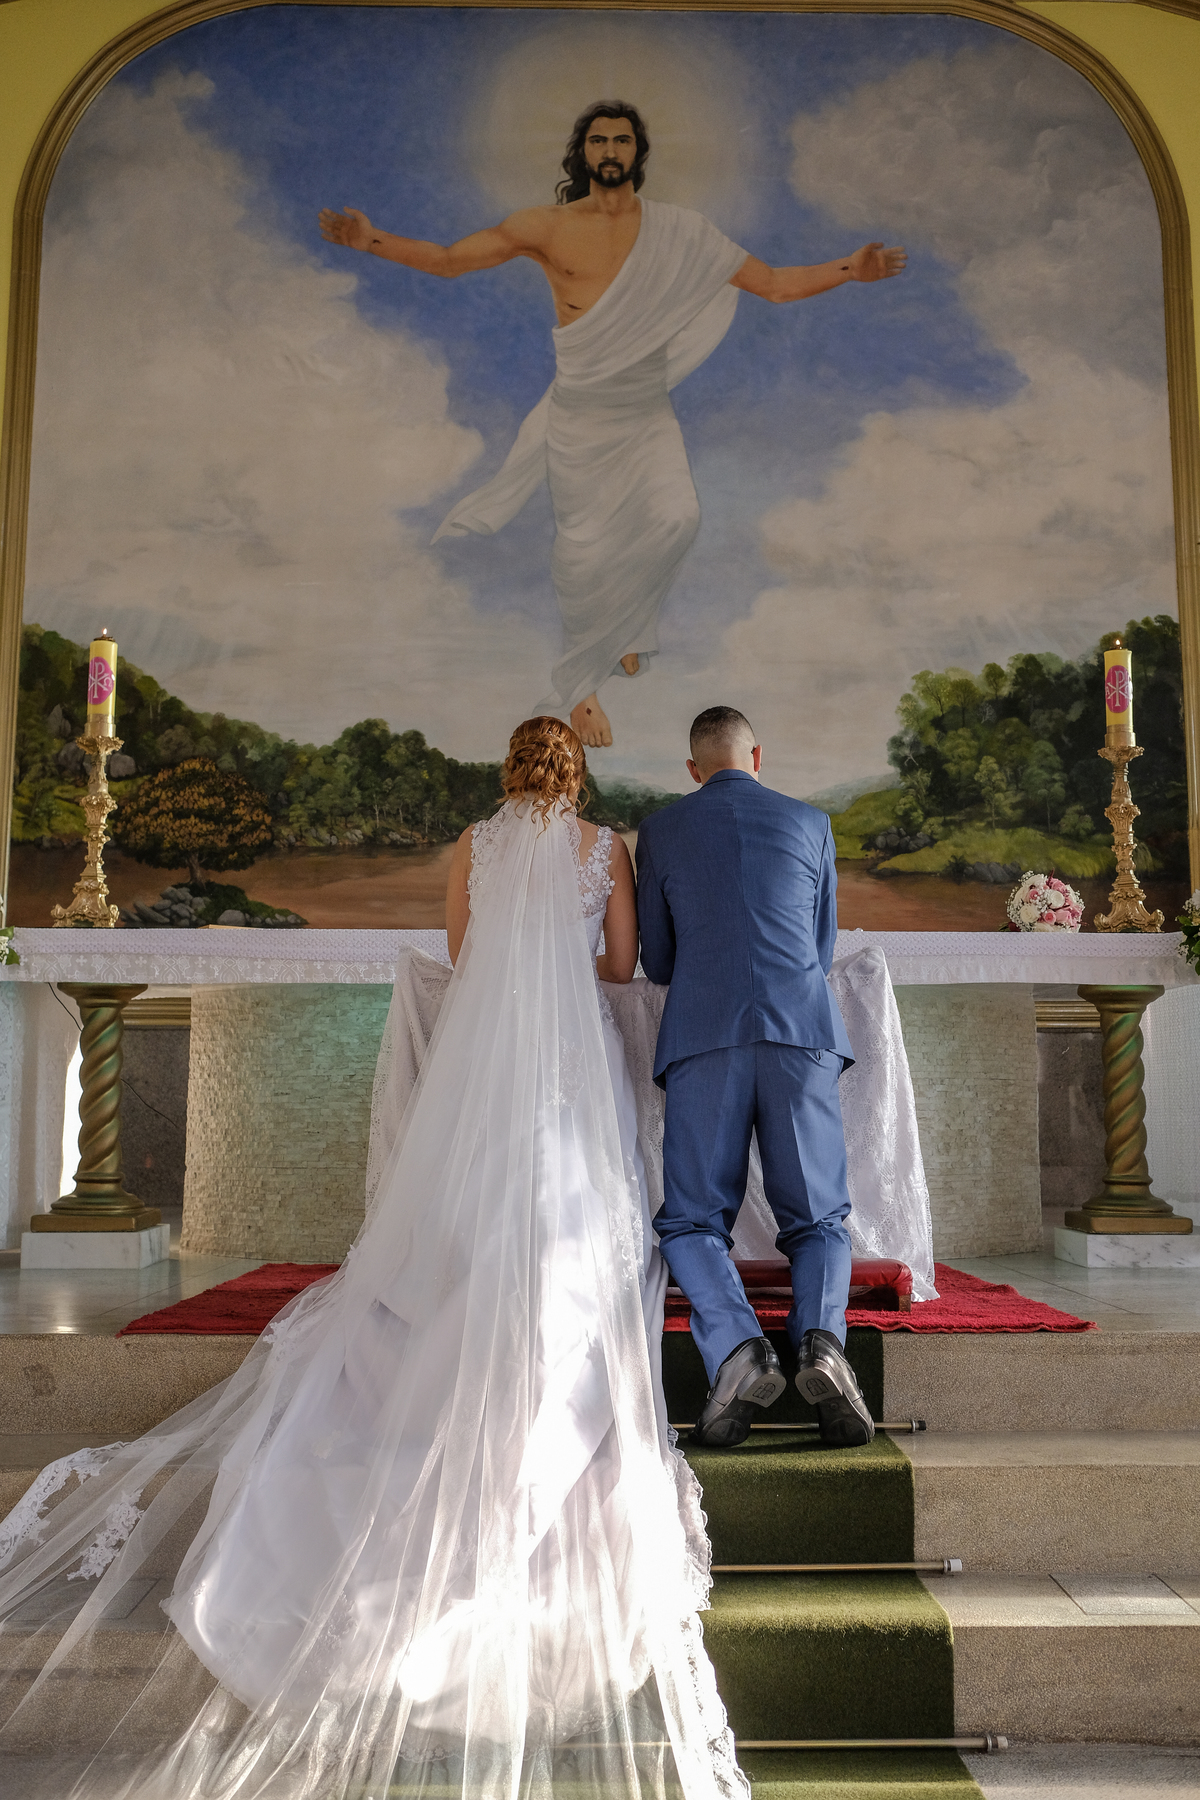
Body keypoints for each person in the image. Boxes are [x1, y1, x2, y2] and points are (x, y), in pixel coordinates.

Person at [0, 717, 746, 1800]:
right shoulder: (603, 849)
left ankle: (461, 1317)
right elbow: (622, 965)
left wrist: (518, 957)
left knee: (462, 1200)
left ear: (506, 774)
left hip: (483, 1060)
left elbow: (459, 957)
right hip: (570, 1052)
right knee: (573, 1208)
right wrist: (565, 951)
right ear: (576, 775)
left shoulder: (473, 847)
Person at [319, 103, 905, 749]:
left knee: (677, 518)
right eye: (598, 138)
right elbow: (452, 259)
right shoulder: (543, 226)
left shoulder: (681, 231)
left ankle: (622, 632)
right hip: (581, 414)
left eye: (621, 139)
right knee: (581, 552)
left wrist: (852, 271)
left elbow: (773, 284)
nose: (610, 148)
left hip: (644, 408)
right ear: (581, 150)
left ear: (638, 152)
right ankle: (584, 689)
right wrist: (369, 241)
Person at [636, 705, 873, 1451]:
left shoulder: (664, 829)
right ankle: (825, 1349)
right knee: (818, 1217)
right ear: (758, 755)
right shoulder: (812, 823)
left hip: (706, 1033)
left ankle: (739, 1351)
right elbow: (821, 943)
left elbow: (661, 961)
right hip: (799, 1030)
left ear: (693, 767)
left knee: (692, 1217)